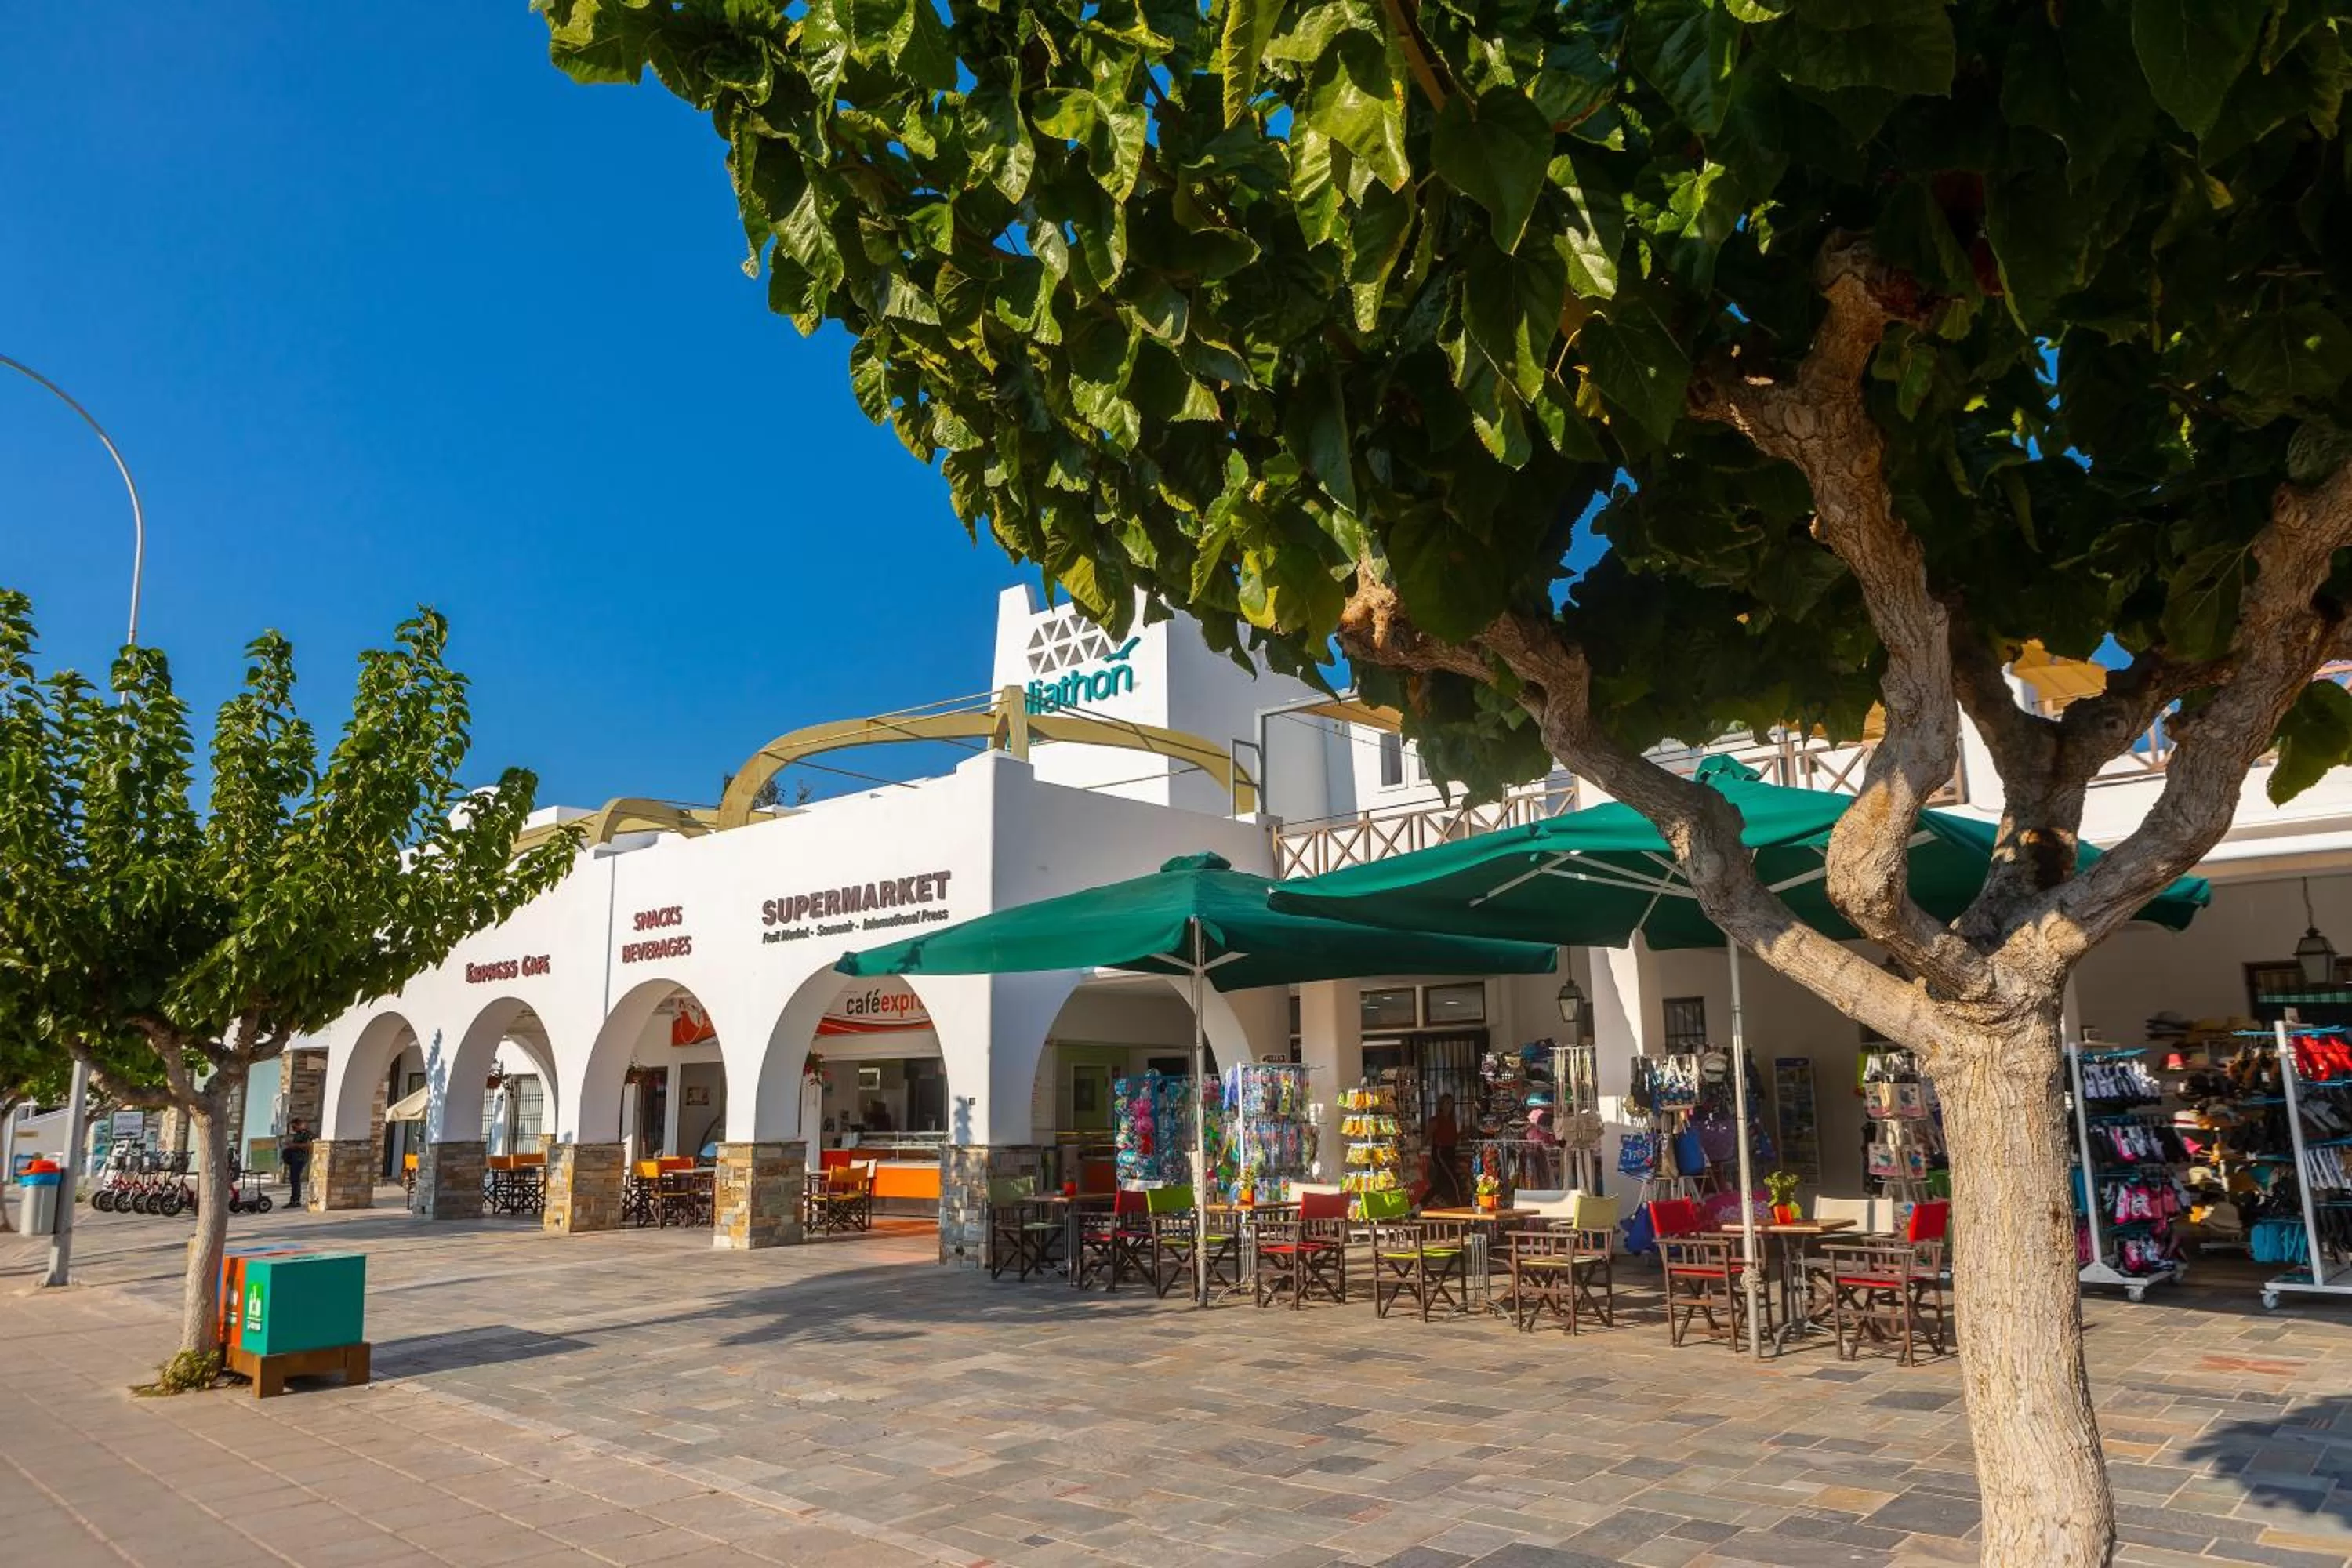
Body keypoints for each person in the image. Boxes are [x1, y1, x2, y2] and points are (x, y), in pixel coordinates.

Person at [1426, 1093, 1464, 1207]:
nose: (1449, 1106)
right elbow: (1427, 1136)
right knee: (1452, 1179)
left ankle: (1424, 1203)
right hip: (1440, 1152)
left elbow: (1453, 1138)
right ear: (1441, 1105)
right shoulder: (1436, 1120)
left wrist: (1461, 1135)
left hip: (1450, 1151)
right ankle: (1458, 1204)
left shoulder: (1452, 1121)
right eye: (1446, 1103)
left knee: (1442, 1180)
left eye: (1451, 1103)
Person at [281, 1119, 314, 1209]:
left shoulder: (306, 1134)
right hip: (294, 1158)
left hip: (300, 1159)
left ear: (300, 1125)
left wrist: (294, 1145)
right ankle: (293, 1199)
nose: (293, 1129)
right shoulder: (298, 1134)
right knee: (293, 1179)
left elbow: (308, 1145)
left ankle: (295, 1200)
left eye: (294, 1127)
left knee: (295, 1179)